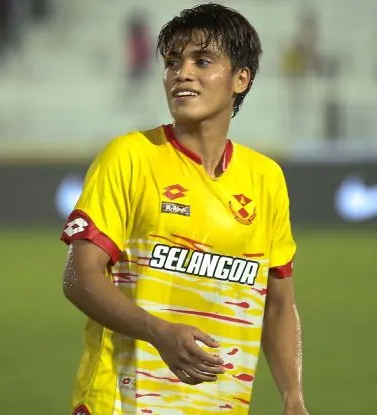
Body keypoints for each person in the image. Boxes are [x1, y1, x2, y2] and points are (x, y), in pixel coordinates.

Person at [59, 4, 307, 414]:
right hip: (121, 404)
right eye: (173, 62)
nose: (182, 73)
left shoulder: (266, 178)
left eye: (201, 61)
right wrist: (158, 332)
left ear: (241, 79)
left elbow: (279, 304)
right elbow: (78, 277)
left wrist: (293, 396)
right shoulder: (130, 156)